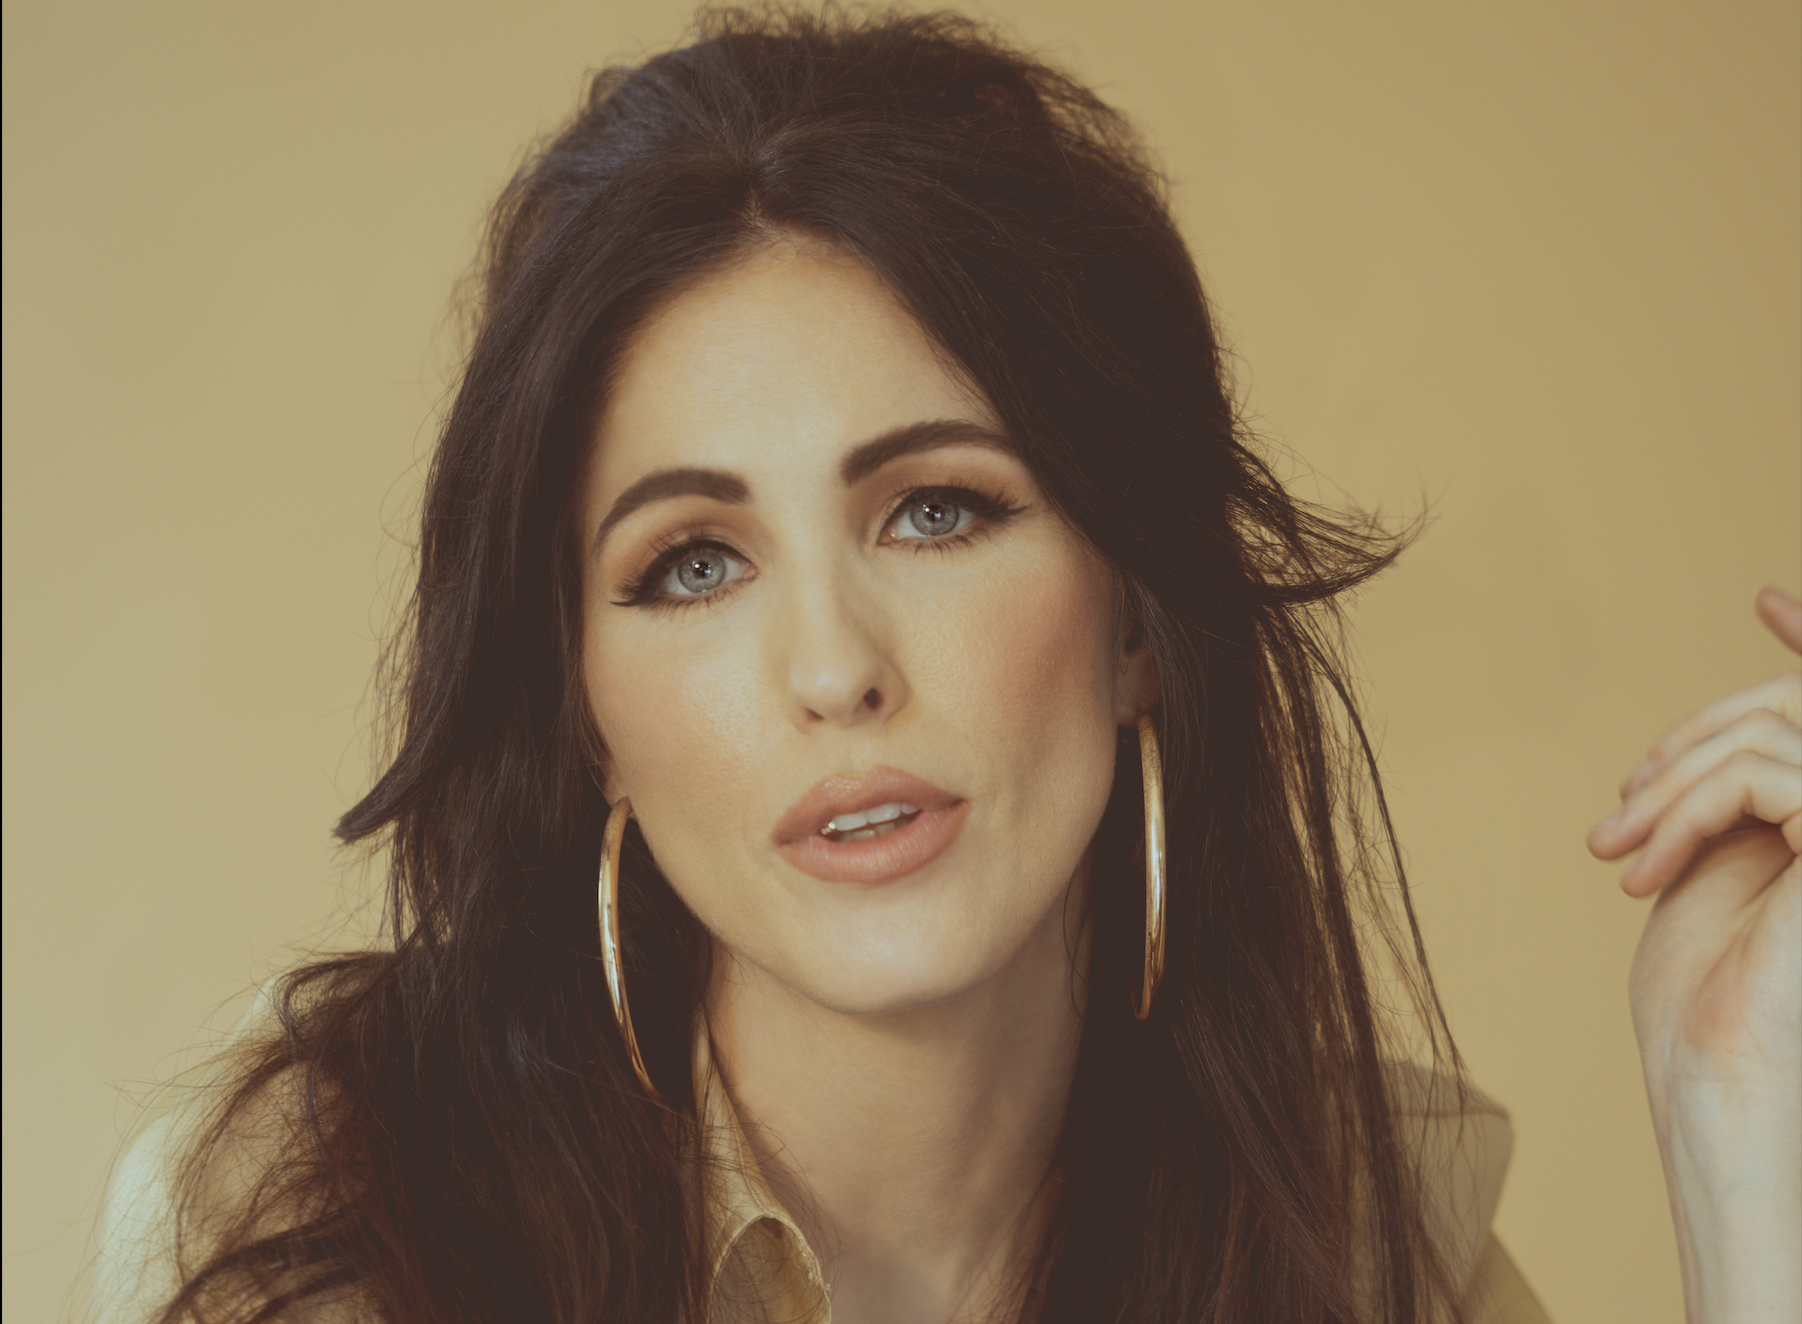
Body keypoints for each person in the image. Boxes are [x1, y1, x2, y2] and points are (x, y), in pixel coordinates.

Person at [91, 8, 1799, 1322]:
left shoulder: (1356, 1240)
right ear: (587, 721)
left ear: (1135, 615)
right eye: (690, 563)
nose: (832, 669)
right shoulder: (329, 1215)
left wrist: (1738, 1149)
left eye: (937, 512)